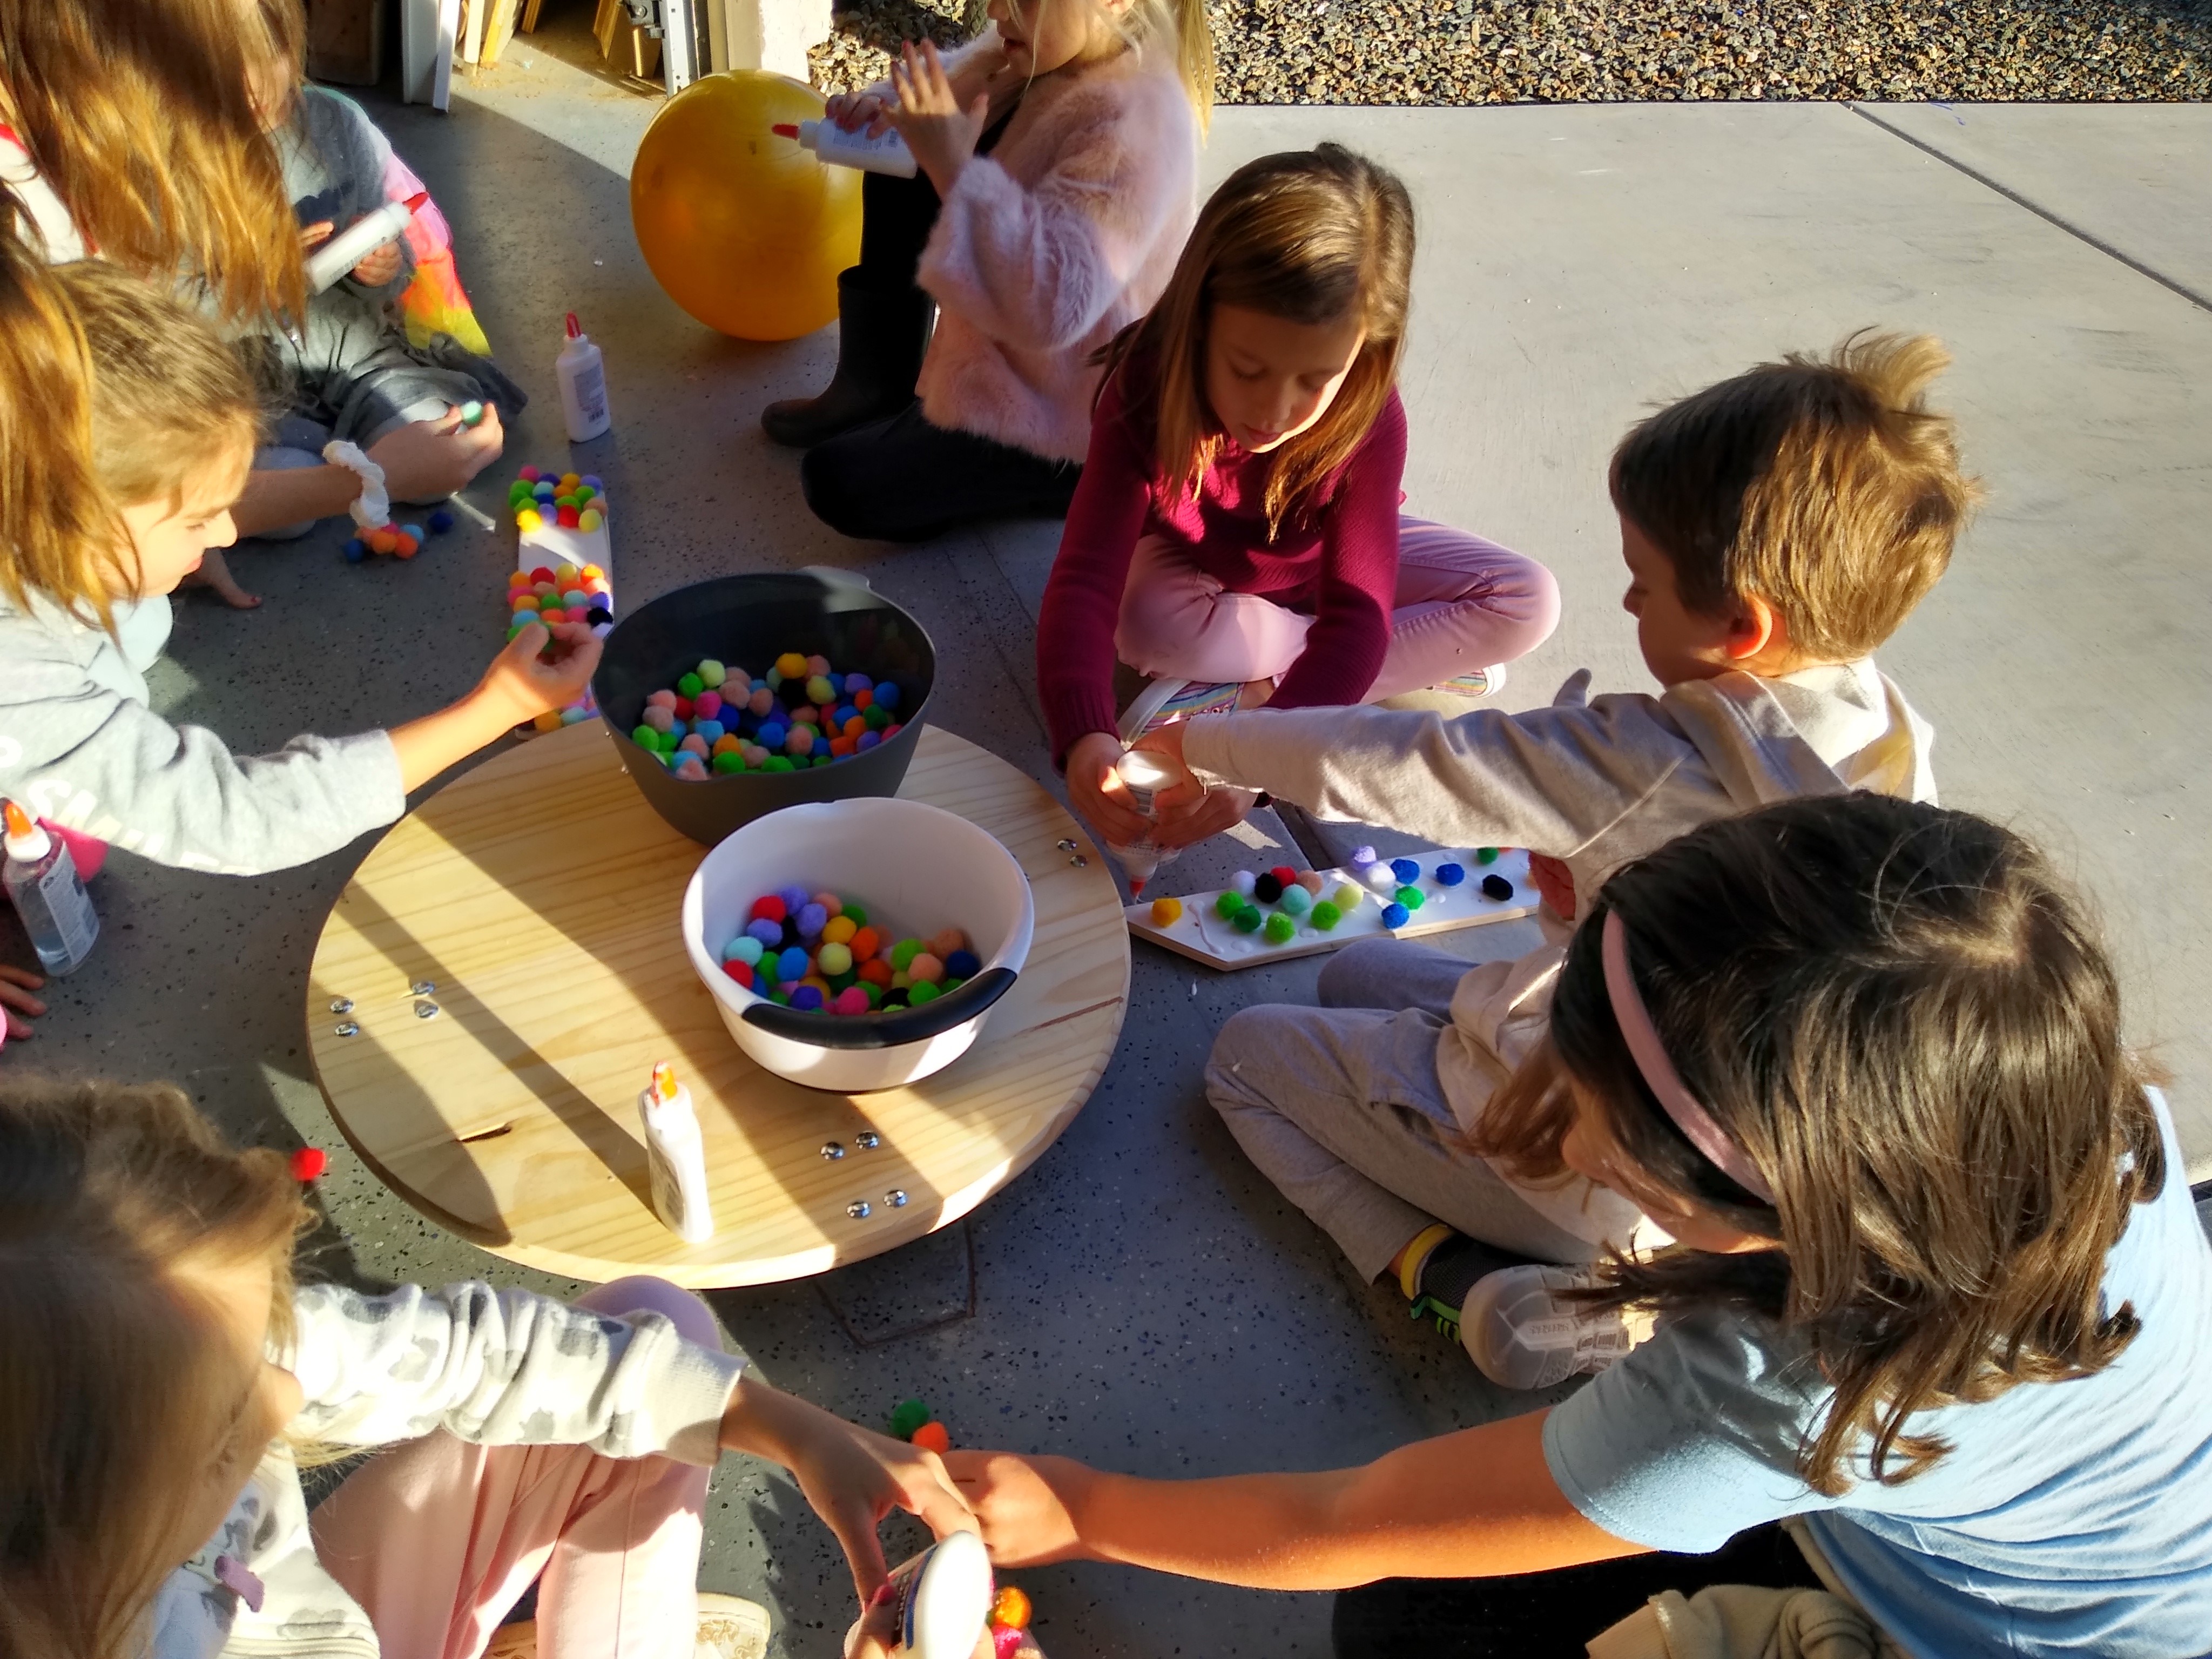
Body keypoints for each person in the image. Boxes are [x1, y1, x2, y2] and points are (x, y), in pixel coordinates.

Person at [953, 795, 2212, 1659]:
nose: (1554, 1134)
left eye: (1591, 1130)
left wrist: (1083, 1507)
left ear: (1735, 1209)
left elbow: (1351, 1518)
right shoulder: (2061, 1087)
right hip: (2114, 1530)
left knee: (1405, 1629)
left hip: (1989, 1630)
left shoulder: (1776, 1389)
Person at [1137, 332, 1977, 1376]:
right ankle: (1651, 1270)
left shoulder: (1648, 754)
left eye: (1644, 584)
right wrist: (1586, 901)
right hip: (1740, 1153)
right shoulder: (1882, 729)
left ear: (1744, 626)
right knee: (1353, 968)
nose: (1626, 603)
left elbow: (1418, 762)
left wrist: (1203, 742)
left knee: (1246, 1056)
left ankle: (1454, 1274)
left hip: (1576, 1150)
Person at [0, 1073, 975, 1659]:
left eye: (273, 1339)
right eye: (225, 1433)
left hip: (320, 1612)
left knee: (659, 1328)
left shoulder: (154, 1338)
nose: (291, 1395)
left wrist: (790, 1429)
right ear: (86, 1542)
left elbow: (478, 1357)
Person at [0, 249, 592, 878]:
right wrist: (496, 706)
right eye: (198, 519)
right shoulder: (19, 681)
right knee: (75, 847)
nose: (227, 530)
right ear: (76, 529)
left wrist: (167, 548)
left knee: (142, 624)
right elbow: (236, 819)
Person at [1039, 144, 1560, 857]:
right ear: (1196, 323)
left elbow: (1355, 617)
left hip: (1316, 572)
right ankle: (1424, 652)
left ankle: (1262, 691)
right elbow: (1084, 582)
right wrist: (1083, 736)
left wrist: (1253, 766)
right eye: (1246, 369)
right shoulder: (1146, 390)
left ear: (1366, 354)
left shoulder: (1369, 415)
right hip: (1202, 570)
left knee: (1530, 598)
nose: (1276, 409)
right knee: (1149, 622)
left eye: (1317, 378)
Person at [0, 0, 503, 548]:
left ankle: (351, 462)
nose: (258, 83)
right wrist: (253, 278)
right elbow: (165, 316)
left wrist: (380, 266)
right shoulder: (163, 166)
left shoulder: (336, 125)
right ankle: (325, 468)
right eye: (225, 69)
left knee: (441, 432)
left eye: (274, 56)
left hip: (357, 352)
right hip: (250, 380)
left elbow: (394, 244)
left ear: (295, 45)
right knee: (284, 502)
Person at [765, 0, 1210, 542]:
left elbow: (1051, 308)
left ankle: (1064, 475)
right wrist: (879, 113)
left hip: (1064, 408)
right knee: (898, 160)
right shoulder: (1038, 46)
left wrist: (954, 169)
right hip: (1007, 354)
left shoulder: (1135, 125)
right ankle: (875, 388)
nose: (995, 9)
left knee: (838, 484)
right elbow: (951, 84)